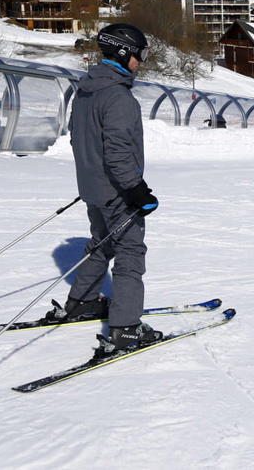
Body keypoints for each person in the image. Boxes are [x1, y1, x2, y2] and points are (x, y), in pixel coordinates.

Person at [46, 24, 162, 354]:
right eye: (140, 55)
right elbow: (117, 152)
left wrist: (93, 179)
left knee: (100, 243)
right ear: (126, 54)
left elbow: (81, 141)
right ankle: (125, 327)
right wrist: (136, 190)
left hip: (93, 189)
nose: (141, 61)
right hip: (117, 193)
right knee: (129, 254)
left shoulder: (85, 91)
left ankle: (82, 301)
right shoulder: (119, 97)